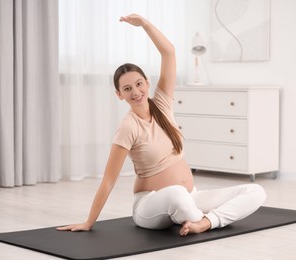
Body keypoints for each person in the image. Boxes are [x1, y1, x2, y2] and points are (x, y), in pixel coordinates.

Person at [57, 14, 266, 236]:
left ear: (147, 83)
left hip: (190, 196)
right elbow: (109, 180)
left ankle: (205, 222)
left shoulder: (163, 105)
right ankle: (199, 218)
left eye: (139, 84)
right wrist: (89, 222)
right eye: (127, 89)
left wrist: (145, 25)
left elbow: (169, 52)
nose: (135, 92)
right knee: (176, 193)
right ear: (119, 95)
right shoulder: (128, 126)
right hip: (149, 206)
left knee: (255, 191)